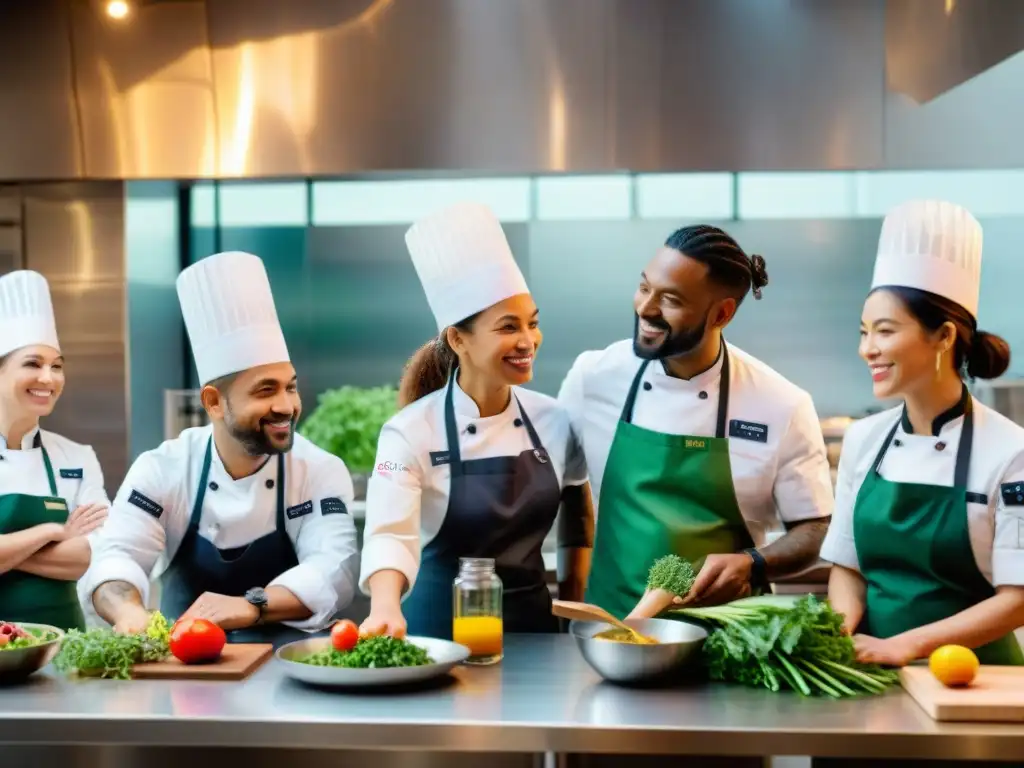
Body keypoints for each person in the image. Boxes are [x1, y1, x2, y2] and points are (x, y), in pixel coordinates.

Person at [79, 251, 360, 644]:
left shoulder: (317, 469)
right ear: (213, 402)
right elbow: (116, 556)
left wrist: (251, 605)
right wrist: (129, 612)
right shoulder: (164, 469)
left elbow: (335, 567)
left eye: (290, 386)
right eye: (266, 390)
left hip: (292, 672)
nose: (286, 406)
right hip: (186, 670)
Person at [558, 225, 834, 621]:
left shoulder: (781, 404)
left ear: (721, 313)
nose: (645, 308)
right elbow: (569, 488)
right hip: (610, 631)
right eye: (644, 287)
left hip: (729, 642)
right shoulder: (594, 377)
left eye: (670, 299)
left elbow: (815, 529)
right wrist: (572, 591)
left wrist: (755, 563)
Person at [358, 202, 593, 640]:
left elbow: (578, 510)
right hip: (437, 634)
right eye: (508, 327)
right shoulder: (408, 433)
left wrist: (575, 597)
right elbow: (390, 531)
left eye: (532, 324)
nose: (528, 341)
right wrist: (385, 605)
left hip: (536, 632)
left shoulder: (553, 419)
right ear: (458, 339)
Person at [821, 199, 1024, 668]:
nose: (867, 349)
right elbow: (847, 567)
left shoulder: (1011, 452)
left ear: (945, 337)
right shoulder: (863, 440)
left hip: (975, 680)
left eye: (885, 332)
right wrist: (840, 632)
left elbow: (1017, 598)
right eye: (863, 332)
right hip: (869, 671)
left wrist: (905, 646)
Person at [0, 270, 109, 630]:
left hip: (64, 647)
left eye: (57, 366)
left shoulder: (78, 456)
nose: (49, 378)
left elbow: (89, 558)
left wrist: (7, 552)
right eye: (33, 364)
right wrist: (51, 532)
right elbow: (69, 549)